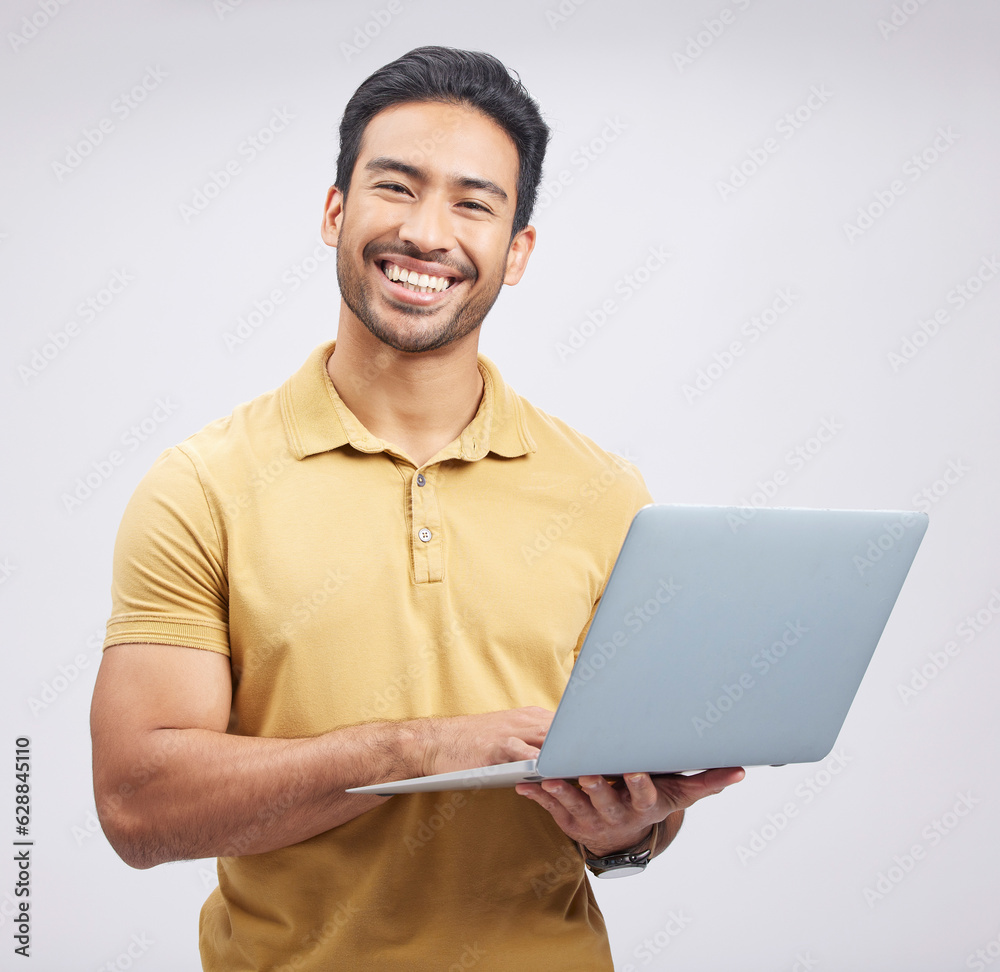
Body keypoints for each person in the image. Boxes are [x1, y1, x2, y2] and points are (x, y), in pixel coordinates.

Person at [90, 46, 744, 971]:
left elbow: (632, 821)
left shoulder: (605, 496)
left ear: (516, 251)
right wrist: (412, 750)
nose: (428, 233)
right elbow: (137, 808)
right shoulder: (200, 487)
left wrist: (627, 832)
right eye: (395, 187)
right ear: (334, 210)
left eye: (474, 204)